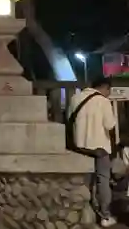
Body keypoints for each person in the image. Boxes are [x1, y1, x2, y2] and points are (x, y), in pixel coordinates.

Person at [68, 76, 117, 227]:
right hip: (99, 147)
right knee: (103, 180)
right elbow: (110, 125)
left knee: (85, 181)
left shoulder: (75, 98)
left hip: (80, 146)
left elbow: (69, 119)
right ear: (105, 87)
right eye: (109, 90)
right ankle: (105, 216)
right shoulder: (103, 101)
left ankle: (83, 213)